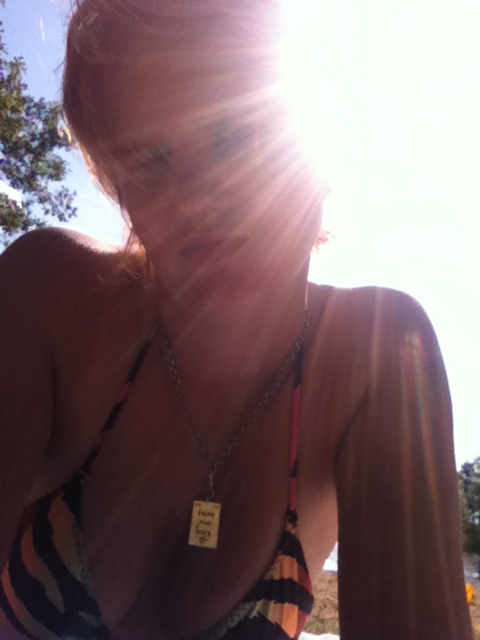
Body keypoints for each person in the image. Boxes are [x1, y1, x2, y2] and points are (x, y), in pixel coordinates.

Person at [0, 1, 472, 639]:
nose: (195, 199)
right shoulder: (50, 296)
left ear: (326, 146)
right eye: (149, 159)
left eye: (236, 136)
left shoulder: (380, 359)